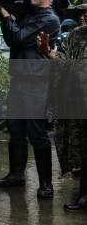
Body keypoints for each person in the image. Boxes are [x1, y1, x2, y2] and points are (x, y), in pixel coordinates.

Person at [0, 0, 60, 198]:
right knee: (16, 130)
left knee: (37, 133)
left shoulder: (50, 19)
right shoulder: (28, 13)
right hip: (19, 79)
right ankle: (16, 175)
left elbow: (18, 38)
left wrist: (6, 16)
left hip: (36, 82)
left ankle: (46, 184)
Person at [37, 25, 87, 211]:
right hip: (78, 104)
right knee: (83, 152)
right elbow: (64, 62)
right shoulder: (77, 34)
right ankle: (84, 196)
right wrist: (48, 52)